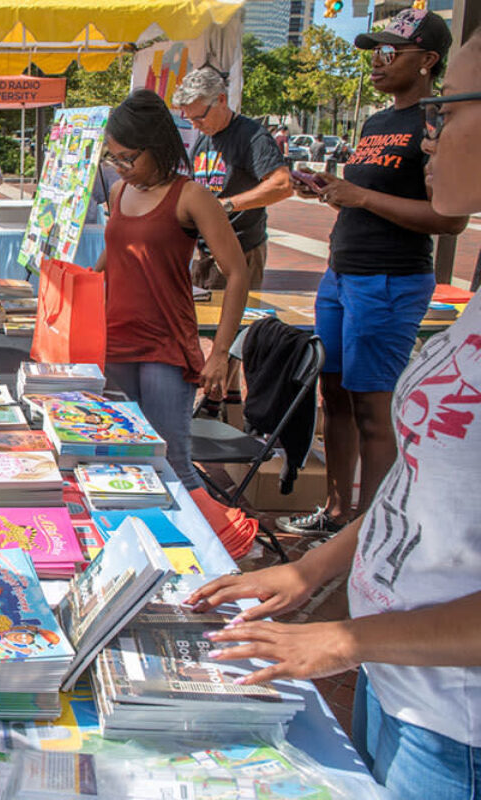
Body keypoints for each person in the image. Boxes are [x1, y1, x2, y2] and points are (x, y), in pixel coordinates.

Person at [187, 29, 481, 798]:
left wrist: (342, 639)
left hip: (454, 727)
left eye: (449, 108)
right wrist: (312, 573)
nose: (432, 132)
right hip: (400, 686)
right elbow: (419, 491)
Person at [277, 8, 468, 536]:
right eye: (373, 53)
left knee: (371, 405)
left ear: (428, 60)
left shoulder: (435, 123)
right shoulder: (377, 121)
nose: (377, 62)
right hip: (343, 275)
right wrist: (330, 189)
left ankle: (371, 528)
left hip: (389, 280)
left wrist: (360, 194)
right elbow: (370, 199)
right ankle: (338, 514)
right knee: (333, 395)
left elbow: (449, 219)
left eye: (391, 52)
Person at [95, 90, 248, 493]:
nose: (121, 168)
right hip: (116, 342)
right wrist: (70, 286)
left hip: (166, 345)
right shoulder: (118, 193)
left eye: (129, 157)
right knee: (121, 458)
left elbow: (237, 274)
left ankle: (219, 546)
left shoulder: (192, 196)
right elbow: (114, 256)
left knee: (171, 462)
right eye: (114, 158)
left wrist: (219, 353)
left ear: (159, 147)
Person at [173, 67, 292, 292]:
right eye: (190, 119)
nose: (196, 125)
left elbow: (282, 184)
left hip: (239, 249)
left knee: (231, 321)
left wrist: (226, 205)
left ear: (221, 99)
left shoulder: (252, 137)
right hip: (206, 250)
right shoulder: (204, 140)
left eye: (199, 117)